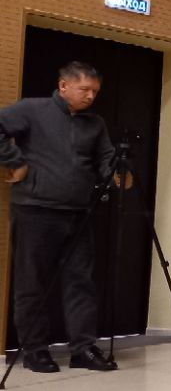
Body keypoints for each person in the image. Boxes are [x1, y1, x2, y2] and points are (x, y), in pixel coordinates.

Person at [0, 61, 119, 373]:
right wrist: (14, 161)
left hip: (79, 213)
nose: (91, 96)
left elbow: (106, 157)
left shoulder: (95, 123)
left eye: (95, 91)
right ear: (64, 86)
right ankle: (35, 350)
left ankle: (83, 349)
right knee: (31, 282)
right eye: (85, 89)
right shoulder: (32, 110)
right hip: (35, 210)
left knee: (81, 282)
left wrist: (116, 171)